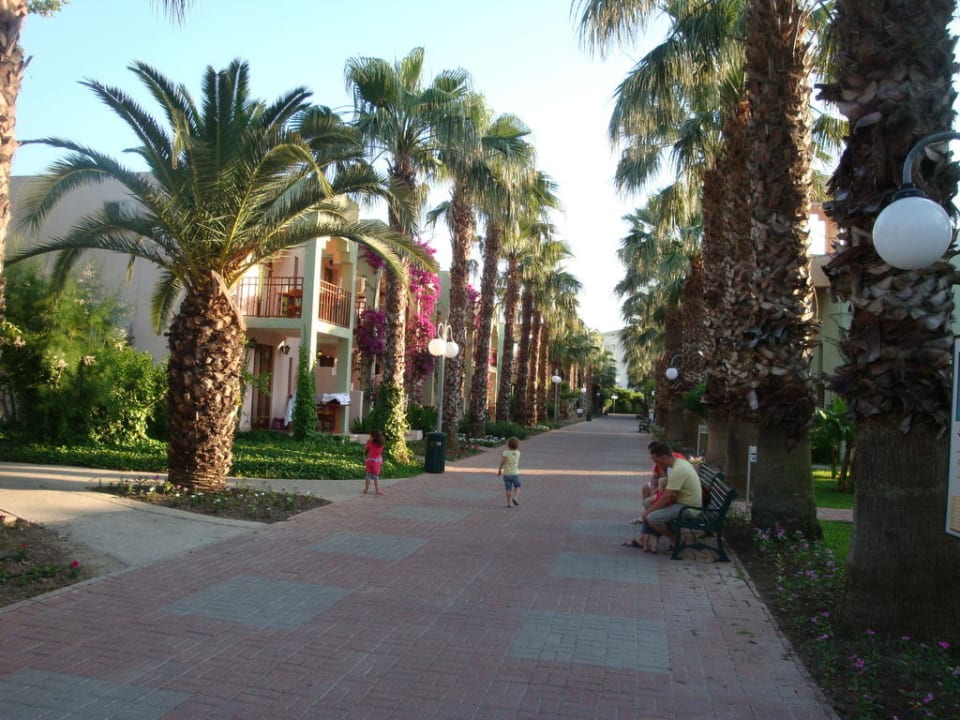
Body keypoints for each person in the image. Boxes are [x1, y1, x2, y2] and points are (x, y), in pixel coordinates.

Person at [624, 442, 701, 552]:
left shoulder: (679, 469)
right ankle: (647, 538)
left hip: (688, 508)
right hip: (682, 502)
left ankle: (677, 538)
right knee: (647, 503)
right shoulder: (678, 464)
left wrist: (647, 513)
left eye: (656, 461)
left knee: (652, 518)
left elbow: (666, 497)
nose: (656, 464)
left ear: (664, 458)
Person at [630, 441, 684, 524]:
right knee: (646, 488)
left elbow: (666, 482)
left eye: (653, 456)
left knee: (652, 502)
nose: (652, 458)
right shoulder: (663, 462)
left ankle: (647, 517)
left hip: (677, 494)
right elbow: (655, 478)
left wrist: (656, 492)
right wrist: (653, 491)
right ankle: (647, 517)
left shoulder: (676, 463)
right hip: (668, 485)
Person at [497, 436, 522, 508]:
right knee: (518, 486)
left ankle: (509, 503)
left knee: (508, 488)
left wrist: (499, 470)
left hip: (506, 474)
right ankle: (516, 497)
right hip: (515, 474)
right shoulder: (518, 453)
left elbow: (502, 462)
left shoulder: (505, 452)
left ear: (508, 444)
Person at [363, 430, 385, 495]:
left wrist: (368, 442)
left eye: (370, 436)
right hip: (377, 462)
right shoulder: (381, 444)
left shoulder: (370, 443)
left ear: (373, 437)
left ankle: (366, 489)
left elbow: (365, 448)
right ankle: (377, 490)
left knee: (368, 476)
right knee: (376, 477)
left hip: (369, 461)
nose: (369, 437)